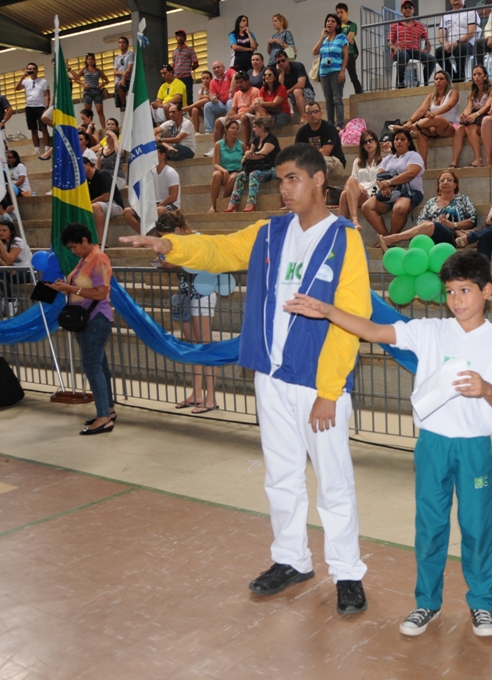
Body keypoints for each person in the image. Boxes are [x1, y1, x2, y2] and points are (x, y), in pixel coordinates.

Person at [120, 142, 372, 615]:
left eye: (293, 178)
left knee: (333, 481)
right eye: (281, 180)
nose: (285, 188)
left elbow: (350, 319)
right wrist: (171, 245)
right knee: (281, 476)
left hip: (317, 382)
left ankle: (347, 571)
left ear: (319, 180)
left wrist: (329, 392)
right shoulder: (269, 232)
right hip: (270, 377)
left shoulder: (345, 239)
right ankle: (292, 560)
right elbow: (217, 251)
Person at [284, 249, 492, 637]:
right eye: (450, 292)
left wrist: (485, 388)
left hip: (474, 446)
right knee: (430, 526)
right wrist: (327, 311)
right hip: (432, 445)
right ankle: (426, 602)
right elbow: (374, 330)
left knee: (476, 527)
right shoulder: (429, 331)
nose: (456, 300)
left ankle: (481, 604)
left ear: (486, 290)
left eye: (465, 290)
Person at [48, 223, 116, 435]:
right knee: (99, 366)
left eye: (74, 246)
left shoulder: (99, 259)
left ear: (85, 241)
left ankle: (104, 417)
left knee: (92, 366)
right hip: (86, 319)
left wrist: (70, 288)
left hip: (96, 318)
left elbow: (100, 293)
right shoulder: (84, 260)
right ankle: (108, 410)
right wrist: (63, 287)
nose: (73, 250)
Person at [153, 211, 219, 414]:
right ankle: (197, 393)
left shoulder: (197, 239)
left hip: (203, 294)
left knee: (205, 346)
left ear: (178, 230)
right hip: (185, 296)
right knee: (192, 346)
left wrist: (177, 263)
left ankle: (211, 398)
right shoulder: (171, 245)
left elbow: (202, 263)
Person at [377, 169, 476, 249]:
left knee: (430, 226)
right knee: (421, 233)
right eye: (442, 180)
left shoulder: (463, 199)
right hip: (431, 234)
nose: (445, 182)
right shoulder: (431, 202)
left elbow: (473, 220)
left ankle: (393, 238)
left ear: (455, 184)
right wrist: (436, 223)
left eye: (449, 180)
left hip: (453, 237)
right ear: (438, 186)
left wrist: (452, 224)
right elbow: (420, 221)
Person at [362, 129, 424, 237]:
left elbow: (410, 174)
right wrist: (383, 186)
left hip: (409, 192)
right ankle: (386, 238)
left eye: (402, 139)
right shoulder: (388, 158)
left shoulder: (413, 155)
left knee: (400, 208)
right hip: (389, 192)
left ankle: (392, 237)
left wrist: (389, 182)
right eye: (396, 139)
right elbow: (379, 176)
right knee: (367, 206)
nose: (399, 141)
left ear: (408, 142)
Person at [394, 71, 459, 169]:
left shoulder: (453, 92)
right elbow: (421, 110)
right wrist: (410, 120)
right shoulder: (431, 96)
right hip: (433, 128)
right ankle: (423, 165)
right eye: (436, 79)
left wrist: (434, 113)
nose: (438, 81)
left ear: (447, 81)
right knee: (421, 132)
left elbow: (449, 105)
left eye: (441, 79)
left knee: (436, 118)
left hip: (449, 127)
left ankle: (407, 128)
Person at [225, 116, 279, 213]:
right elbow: (249, 154)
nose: (253, 129)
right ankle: (233, 203)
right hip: (258, 167)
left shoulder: (271, 139)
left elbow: (261, 154)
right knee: (241, 175)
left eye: (255, 127)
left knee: (254, 174)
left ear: (261, 127)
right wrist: (248, 155)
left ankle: (251, 202)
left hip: (272, 169)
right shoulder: (256, 140)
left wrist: (249, 155)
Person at [123, 146, 179, 232]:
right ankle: (145, 235)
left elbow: (173, 197)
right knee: (127, 212)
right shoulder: (151, 172)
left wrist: (158, 205)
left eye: (154, 154)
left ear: (163, 155)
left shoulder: (171, 172)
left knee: (159, 211)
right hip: (154, 204)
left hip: (172, 205)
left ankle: (159, 237)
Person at [0, 217, 31, 317]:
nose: (1, 233)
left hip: (25, 271)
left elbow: (10, 259)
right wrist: (8, 267)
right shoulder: (4, 242)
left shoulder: (17, 242)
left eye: (4, 230)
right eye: (0, 230)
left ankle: (11, 300)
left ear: (11, 231)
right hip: (12, 271)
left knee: (0, 274)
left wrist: (0, 245)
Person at [295, 102, 347, 186]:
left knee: (320, 161)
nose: (313, 115)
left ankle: (318, 191)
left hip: (334, 163)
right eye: (309, 113)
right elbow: (298, 154)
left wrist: (307, 157)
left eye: (315, 111)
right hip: (312, 164)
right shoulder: (302, 132)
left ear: (320, 113)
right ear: (305, 116)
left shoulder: (329, 128)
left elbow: (326, 152)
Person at [451, 65, 492, 169]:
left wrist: (476, 114)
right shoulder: (472, 93)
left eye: (479, 74)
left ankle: (478, 159)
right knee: (460, 129)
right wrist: (464, 114)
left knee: (471, 128)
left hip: (486, 118)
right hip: (476, 117)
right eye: (474, 74)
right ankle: (454, 162)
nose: (476, 77)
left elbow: (488, 106)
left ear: (485, 76)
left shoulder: (491, 90)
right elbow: (469, 107)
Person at [339, 130, 381, 231]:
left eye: (370, 140)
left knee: (344, 194)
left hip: (375, 196)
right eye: (364, 142)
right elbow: (350, 182)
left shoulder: (384, 161)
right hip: (359, 195)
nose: (368, 144)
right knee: (347, 189)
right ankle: (353, 221)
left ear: (376, 141)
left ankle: (341, 227)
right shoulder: (357, 162)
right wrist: (358, 186)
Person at [389, 0, 434, 89]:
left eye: (410, 7)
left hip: (415, 52)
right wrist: (394, 47)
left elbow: (428, 42)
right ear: (401, 10)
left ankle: (422, 83)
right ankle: (400, 82)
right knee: (403, 55)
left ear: (413, 10)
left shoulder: (420, 26)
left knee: (431, 59)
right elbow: (389, 42)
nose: (408, 9)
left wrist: (426, 50)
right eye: (405, 8)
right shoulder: (395, 25)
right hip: (401, 51)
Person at [315, 13, 350, 130]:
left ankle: (339, 124)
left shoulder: (342, 38)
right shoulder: (324, 40)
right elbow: (314, 52)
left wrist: (342, 71)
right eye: (328, 21)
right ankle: (330, 124)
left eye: (332, 21)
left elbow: (346, 56)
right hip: (324, 73)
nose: (329, 23)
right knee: (328, 100)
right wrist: (321, 37)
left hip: (336, 71)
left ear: (337, 25)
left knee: (337, 99)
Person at [210, 72, 258, 153]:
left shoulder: (255, 90)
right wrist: (230, 116)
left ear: (247, 81)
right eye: (237, 82)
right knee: (219, 121)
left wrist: (239, 115)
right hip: (239, 117)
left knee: (244, 117)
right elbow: (233, 109)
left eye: (241, 82)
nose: (239, 85)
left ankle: (245, 147)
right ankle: (217, 149)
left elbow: (252, 109)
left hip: (250, 117)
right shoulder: (237, 94)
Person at [83, 150, 124, 241]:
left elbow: (106, 197)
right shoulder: (85, 181)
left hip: (114, 204)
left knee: (95, 206)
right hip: (100, 206)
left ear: (88, 164)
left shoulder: (102, 174)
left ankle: (101, 241)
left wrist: (88, 204)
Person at [435, 0, 477, 84]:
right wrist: (445, 43)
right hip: (450, 45)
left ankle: (460, 77)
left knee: (460, 48)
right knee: (438, 52)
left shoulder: (471, 12)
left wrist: (457, 42)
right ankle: (452, 76)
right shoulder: (445, 16)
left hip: (467, 44)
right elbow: (440, 35)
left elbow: (471, 33)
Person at [15, 62, 51, 155]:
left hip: (40, 106)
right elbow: (17, 88)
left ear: (37, 70)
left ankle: (47, 147)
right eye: (29, 69)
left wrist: (46, 107)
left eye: (33, 69)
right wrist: (23, 76)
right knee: (33, 129)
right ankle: (37, 149)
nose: (31, 70)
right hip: (29, 107)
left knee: (43, 127)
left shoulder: (43, 81)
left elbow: (47, 95)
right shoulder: (25, 81)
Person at [210, 119, 244, 213]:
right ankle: (213, 205)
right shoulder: (219, 144)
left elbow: (247, 159)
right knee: (216, 175)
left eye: (237, 129)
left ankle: (223, 200)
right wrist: (224, 171)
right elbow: (215, 164)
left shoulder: (241, 145)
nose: (235, 130)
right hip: (223, 169)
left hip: (236, 170)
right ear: (226, 129)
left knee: (234, 177)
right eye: (232, 128)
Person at [275, 52, 315, 124]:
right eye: (278, 62)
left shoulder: (298, 66)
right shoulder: (279, 72)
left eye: (283, 60)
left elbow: (301, 84)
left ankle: (304, 116)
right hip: (290, 96)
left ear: (288, 59)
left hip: (306, 92)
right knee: (278, 97)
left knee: (296, 91)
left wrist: (287, 92)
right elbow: (280, 88)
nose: (281, 63)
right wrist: (281, 72)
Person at [73, 53, 109, 130]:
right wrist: (83, 84)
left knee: (100, 110)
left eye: (92, 59)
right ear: (86, 60)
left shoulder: (98, 70)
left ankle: (103, 128)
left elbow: (106, 80)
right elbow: (76, 78)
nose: (90, 60)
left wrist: (101, 85)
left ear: (94, 60)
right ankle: (89, 128)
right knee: (88, 112)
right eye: (89, 59)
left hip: (97, 92)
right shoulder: (84, 70)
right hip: (87, 92)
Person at [336, 4, 364, 95]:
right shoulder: (337, 27)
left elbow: (348, 39)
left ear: (347, 12)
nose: (339, 15)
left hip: (349, 53)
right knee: (337, 77)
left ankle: (359, 94)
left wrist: (345, 41)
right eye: (338, 12)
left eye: (341, 12)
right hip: (338, 54)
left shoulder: (352, 25)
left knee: (353, 76)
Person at [203, 61, 236, 135]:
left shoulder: (229, 72)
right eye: (214, 68)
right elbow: (212, 94)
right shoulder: (212, 81)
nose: (216, 69)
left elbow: (235, 76)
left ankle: (229, 127)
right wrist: (213, 98)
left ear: (224, 67)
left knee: (229, 102)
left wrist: (231, 91)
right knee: (208, 105)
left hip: (232, 101)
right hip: (221, 104)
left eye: (218, 67)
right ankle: (209, 130)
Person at [171, 29, 199, 107]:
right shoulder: (174, 52)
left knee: (188, 97)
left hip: (186, 77)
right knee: (178, 97)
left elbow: (196, 64)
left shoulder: (190, 50)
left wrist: (188, 69)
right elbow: (174, 65)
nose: (180, 38)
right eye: (178, 36)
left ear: (185, 38)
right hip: (176, 78)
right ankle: (180, 113)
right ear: (176, 38)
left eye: (182, 36)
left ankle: (190, 114)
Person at [112, 36, 134, 113]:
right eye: (120, 42)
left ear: (127, 44)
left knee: (120, 85)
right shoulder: (117, 58)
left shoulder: (130, 54)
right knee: (118, 102)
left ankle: (125, 104)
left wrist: (123, 78)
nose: (122, 44)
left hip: (128, 79)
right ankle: (122, 104)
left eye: (123, 42)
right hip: (119, 80)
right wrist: (122, 73)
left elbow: (129, 69)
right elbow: (115, 72)